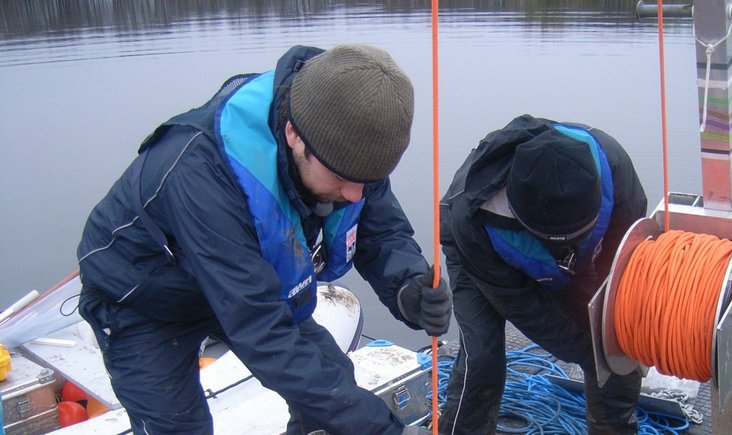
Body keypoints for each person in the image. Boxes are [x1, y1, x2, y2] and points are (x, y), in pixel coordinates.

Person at [76, 44, 452, 435]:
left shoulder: (348, 137)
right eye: (342, 179)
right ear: (294, 135)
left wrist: (408, 287)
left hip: (239, 282)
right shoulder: (200, 174)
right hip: (142, 297)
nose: (356, 194)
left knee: (330, 380)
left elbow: (382, 229)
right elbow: (262, 330)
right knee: (178, 427)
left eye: (368, 180)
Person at [438, 114, 647, 434]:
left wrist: (612, 342)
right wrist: (587, 350)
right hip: (478, 256)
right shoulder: (470, 217)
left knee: (615, 338)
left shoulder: (615, 170)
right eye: (553, 240)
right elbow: (527, 309)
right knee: (482, 358)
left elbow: (625, 264)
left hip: (573, 265)